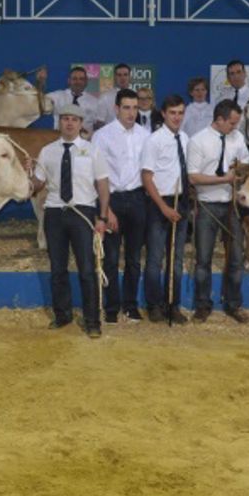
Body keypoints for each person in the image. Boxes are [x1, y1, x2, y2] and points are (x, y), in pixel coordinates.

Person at [30, 104, 113, 338]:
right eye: (65, 118)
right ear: (59, 122)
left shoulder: (92, 150)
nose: (69, 123)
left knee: (87, 269)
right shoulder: (47, 151)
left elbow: (103, 185)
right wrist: (28, 174)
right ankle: (62, 315)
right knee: (58, 269)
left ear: (80, 124)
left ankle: (92, 321)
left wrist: (103, 217)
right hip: (55, 213)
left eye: (74, 119)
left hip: (83, 213)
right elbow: (37, 185)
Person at [187, 99, 249, 324]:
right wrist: (225, 179)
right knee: (203, 260)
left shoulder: (238, 138)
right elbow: (193, 177)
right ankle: (202, 305)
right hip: (207, 206)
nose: (235, 127)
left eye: (236, 123)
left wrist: (241, 172)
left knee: (236, 258)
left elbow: (246, 164)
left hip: (232, 205)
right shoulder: (198, 140)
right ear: (219, 119)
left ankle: (233, 305)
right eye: (232, 123)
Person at [93, 88, 150, 323]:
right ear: (116, 109)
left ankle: (130, 306)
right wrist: (106, 210)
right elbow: (96, 176)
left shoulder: (145, 135)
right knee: (111, 258)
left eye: (135, 108)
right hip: (112, 199)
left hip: (138, 200)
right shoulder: (102, 136)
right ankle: (111, 308)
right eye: (126, 107)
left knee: (134, 259)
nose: (131, 113)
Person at [140, 94, 190, 324]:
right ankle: (154, 305)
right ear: (163, 114)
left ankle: (173, 304)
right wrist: (163, 207)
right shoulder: (154, 140)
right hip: (159, 203)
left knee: (176, 259)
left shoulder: (186, 139)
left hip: (182, 201)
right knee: (155, 258)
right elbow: (146, 177)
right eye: (172, 113)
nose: (177, 117)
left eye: (180, 113)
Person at [45, 66, 98, 136]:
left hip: (84, 140)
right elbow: (39, 103)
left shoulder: (95, 102)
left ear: (86, 81)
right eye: (74, 79)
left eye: (81, 79)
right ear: (69, 81)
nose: (78, 82)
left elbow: (98, 125)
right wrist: (40, 83)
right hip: (60, 138)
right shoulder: (57, 96)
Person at [96, 63, 132, 129]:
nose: (122, 78)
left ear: (130, 77)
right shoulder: (105, 97)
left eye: (125, 75)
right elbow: (100, 122)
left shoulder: (136, 97)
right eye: (119, 75)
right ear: (115, 78)